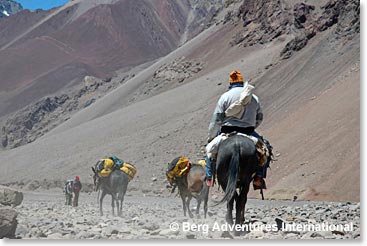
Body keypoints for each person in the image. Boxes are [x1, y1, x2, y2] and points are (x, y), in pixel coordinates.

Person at [205, 70, 266, 189]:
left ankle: (209, 176)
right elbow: (259, 117)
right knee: (265, 150)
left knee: (209, 151)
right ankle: (258, 177)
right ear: (241, 81)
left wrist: (211, 135)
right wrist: (252, 126)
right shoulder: (253, 97)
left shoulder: (225, 97)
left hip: (227, 133)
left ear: (230, 82)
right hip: (248, 132)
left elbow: (217, 120)